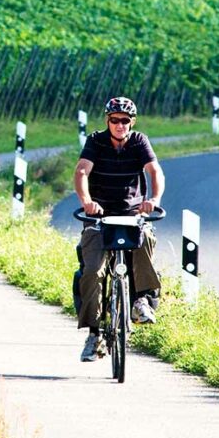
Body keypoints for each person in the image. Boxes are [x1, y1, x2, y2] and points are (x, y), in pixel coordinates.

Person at [73, 97, 165, 362]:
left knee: (146, 237)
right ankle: (94, 333)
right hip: (99, 217)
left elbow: (154, 171)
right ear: (107, 121)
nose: (120, 125)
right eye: (115, 120)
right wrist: (87, 203)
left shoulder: (139, 141)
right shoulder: (95, 141)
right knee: (92, 271)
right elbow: (81, 171)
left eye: (125, 120)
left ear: (132, 122)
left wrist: (154, 201)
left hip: (132, 215)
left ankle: (141, 300)